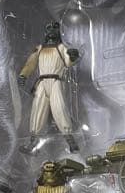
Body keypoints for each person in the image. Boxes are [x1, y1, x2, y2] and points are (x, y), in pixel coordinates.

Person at [17, 21, 80, 152]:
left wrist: (73, 56)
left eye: (55, 27)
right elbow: (31, 63)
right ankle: (33, 143)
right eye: (49, 28)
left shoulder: (62, 47)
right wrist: (23, 75)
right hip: (42, 83)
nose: (52, 30)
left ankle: (71, 142)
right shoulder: (40, 49)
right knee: (37, 110)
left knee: (60, 108)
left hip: (56, 82)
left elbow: (68, 63)